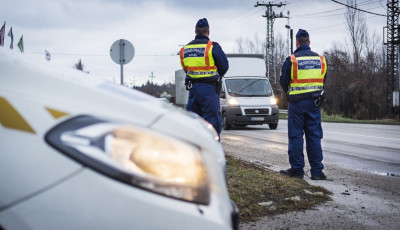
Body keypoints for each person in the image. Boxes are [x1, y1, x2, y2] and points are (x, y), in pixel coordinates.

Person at [279, 29, 328, 180]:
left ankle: (297, 170)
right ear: (309, 42)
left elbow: (283, 81)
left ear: (297, 42)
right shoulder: (321, 60)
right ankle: (317, 171)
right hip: (314, 103)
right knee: (314, 136)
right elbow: (323, 80)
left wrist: (290, 93)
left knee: (296, 136)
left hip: (297, 104)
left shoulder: (292, 60)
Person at [179, 18, 229, 138]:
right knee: (212, 122)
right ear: (208, 32)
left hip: (193, 91)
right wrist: (215, 75)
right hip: (209, 90)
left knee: (193, 123)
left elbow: (186, 68)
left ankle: (195, 151)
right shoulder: (212, 47)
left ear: (195, 31)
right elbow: (224, 66)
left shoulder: (185, 49)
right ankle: (212, 152)